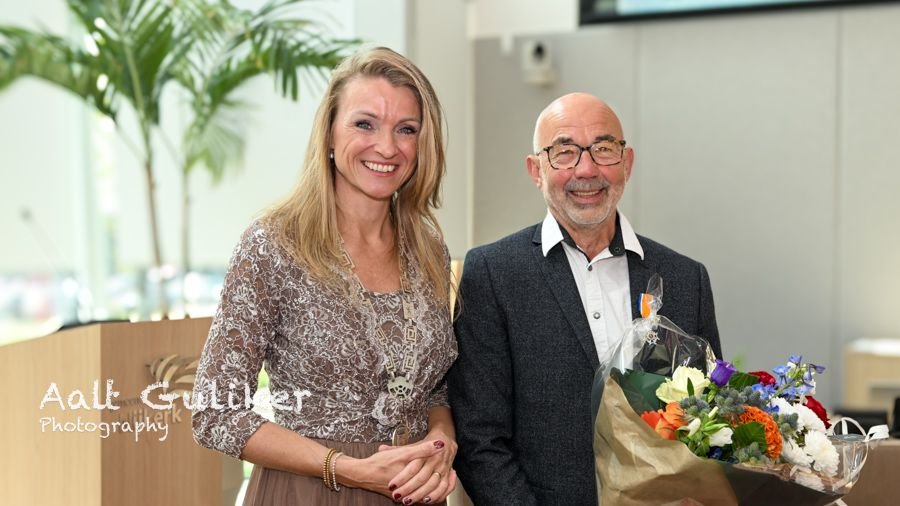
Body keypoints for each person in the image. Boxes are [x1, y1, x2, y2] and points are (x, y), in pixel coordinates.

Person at [192, 47, 458, 506]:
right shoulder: (273, 245)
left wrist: (441, 438)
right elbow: (214, 411)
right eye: (364, 124)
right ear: (330, 136)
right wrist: (345, 469)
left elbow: (435, 385)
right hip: (310, 492)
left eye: (406, 130)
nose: (388, 147)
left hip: (412, 493)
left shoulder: (429, 248)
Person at [448, 92, 722, 505]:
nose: (587, 169)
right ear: (536, 170)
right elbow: (479, 438)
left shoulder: (686, 279)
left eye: (604, 149)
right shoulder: (493, 273)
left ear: (626, 164)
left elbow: (713, 419)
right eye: (564, 152)